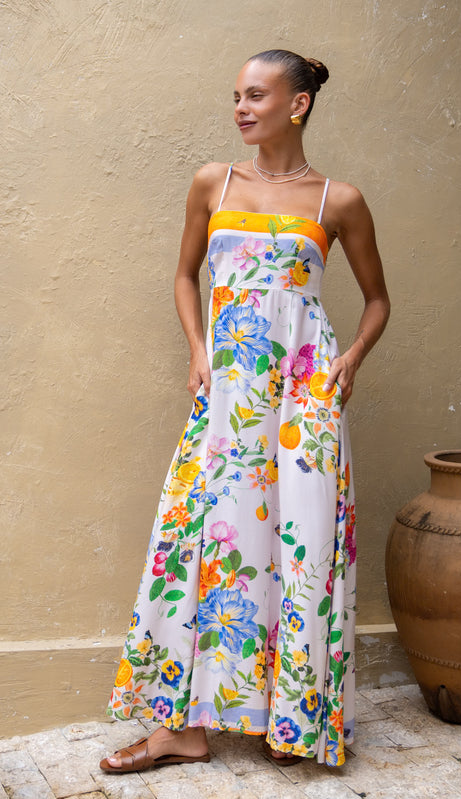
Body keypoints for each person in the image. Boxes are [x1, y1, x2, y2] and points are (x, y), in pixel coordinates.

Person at [100, 48, 390, 773]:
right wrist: (198, 348)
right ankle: (182, 726)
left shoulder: (338, 201)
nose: (239, 106)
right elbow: (184, 274)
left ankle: (291, 718)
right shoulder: (212, 182)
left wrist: (349, 359)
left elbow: (378, 301)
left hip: (305, 394)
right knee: (201, 538)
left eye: (255, 94)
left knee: (302, 543)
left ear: (297, 105)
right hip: (228, 391)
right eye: (235, 94)